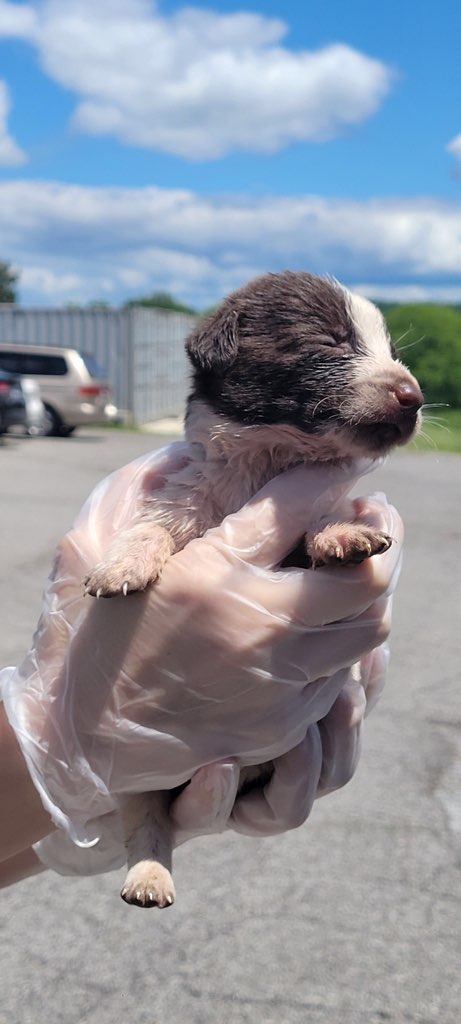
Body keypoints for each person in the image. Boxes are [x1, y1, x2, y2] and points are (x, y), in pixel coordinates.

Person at [0, 443, 402, 888]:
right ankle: (148, 851)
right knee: (151, 792)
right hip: (212, 748)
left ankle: (147, 851)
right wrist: (52, 746)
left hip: (250, 745)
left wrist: (64, 799)